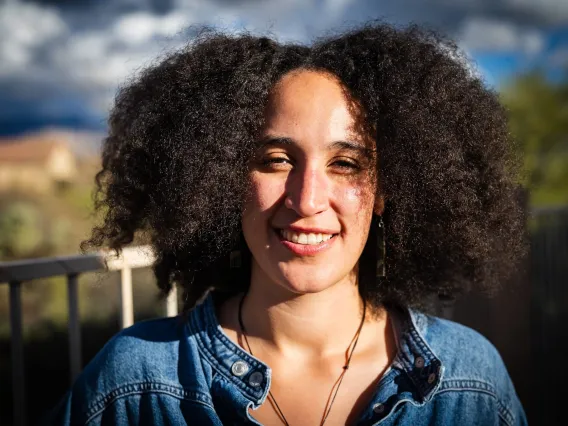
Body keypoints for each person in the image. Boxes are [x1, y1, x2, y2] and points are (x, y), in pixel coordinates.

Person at [47, 22, 527, 425]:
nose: (307, 199)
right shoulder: (136, 383)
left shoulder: (469, 384)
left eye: (345, 164)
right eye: (276, 160)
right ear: (223, 177)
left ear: (385, 192)